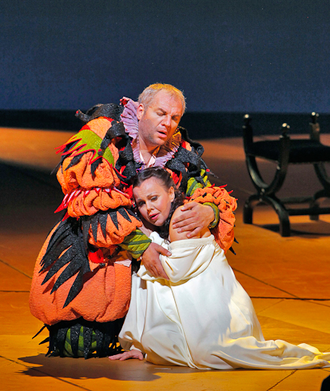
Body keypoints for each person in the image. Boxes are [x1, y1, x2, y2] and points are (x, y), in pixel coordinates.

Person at [29, 83, 231, 358]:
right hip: (103, 246)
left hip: (156, 246)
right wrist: (140, 246)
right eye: (160, 113)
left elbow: (203, 186)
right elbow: (89, 200)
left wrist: (210, 210)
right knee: (80, 342)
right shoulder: (104, 135)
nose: (167, 124)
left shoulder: (178, 150)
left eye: (174, 118)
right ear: (140, 109)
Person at [109, 167, 330, 370]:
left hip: (217, 315)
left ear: (171, 193)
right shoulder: (161, 225)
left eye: (154, 198)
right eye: (141, 203)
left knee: (208, 353)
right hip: (201, 311)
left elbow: (171, 272)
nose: (149, 208)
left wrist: (147, 240)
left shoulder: (183, 217)